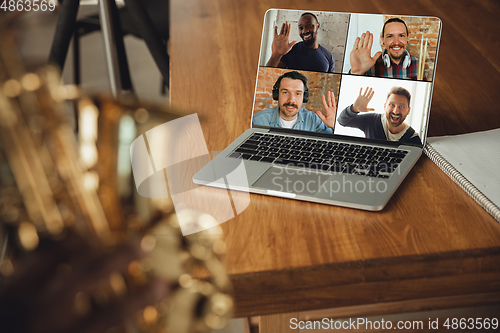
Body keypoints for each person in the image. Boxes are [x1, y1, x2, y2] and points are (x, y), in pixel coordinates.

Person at [332, 86, 422, 145]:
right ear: (385, 106)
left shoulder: (413, 139)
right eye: (392, 105)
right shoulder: (371, 120)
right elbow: (342, 121)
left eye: (401, 106)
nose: (396, 111)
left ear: (408, 110)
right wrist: (354, 108)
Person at [252, 71, 336, 133]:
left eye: (297, 93)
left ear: (304, 97)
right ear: (277, 95)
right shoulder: (259, 120)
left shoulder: (314, 120)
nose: (291, 100)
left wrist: (335, 127)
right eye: (285, 92)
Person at [350, 18, 424, 80]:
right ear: (383, 39)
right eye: (390, 36)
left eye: (401, 35)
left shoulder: (417, 64)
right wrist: (356, 73)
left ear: (407, 38)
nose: (396, 42)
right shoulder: (369, 65)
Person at [265, 13, 335, 73]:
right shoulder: (291, 50)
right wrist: (276, 55)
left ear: (318, 26)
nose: (304, 31)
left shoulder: (328, 56)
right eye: (301, 28)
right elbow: (268, 75)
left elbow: (331, 83)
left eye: (309, 25)